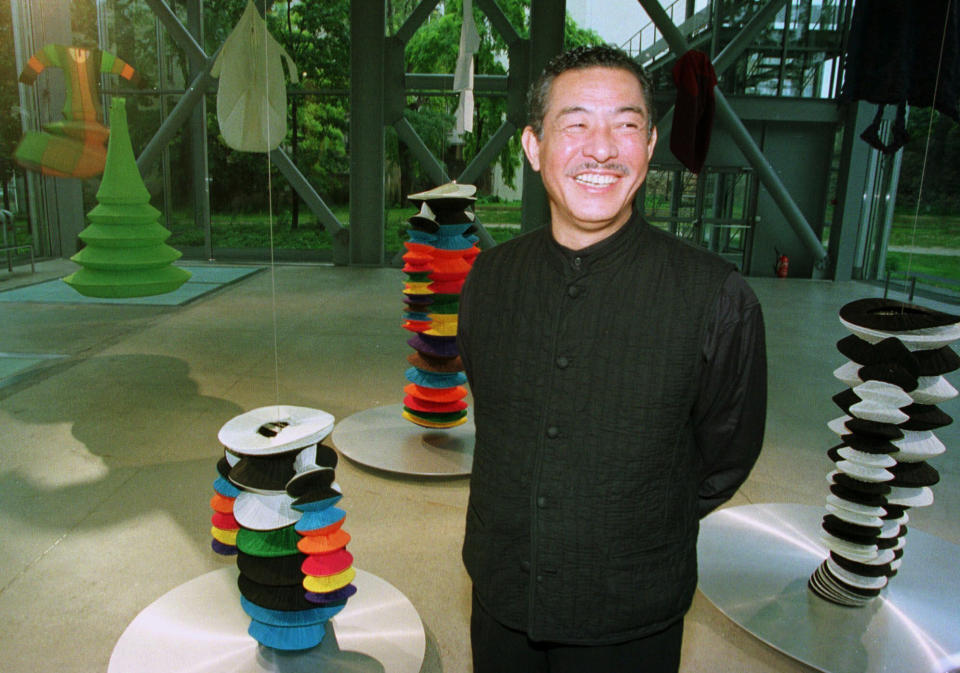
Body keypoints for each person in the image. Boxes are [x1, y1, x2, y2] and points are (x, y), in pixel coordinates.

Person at [456, 45, 767, 673]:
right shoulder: (489, 279)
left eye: (625, 125)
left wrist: (634, 514)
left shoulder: (716, 297)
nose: (601, 149)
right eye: (575, 124)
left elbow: (724, 455)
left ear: (650, 146)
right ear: (532, 146)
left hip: (629, 615)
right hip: (501, 599)